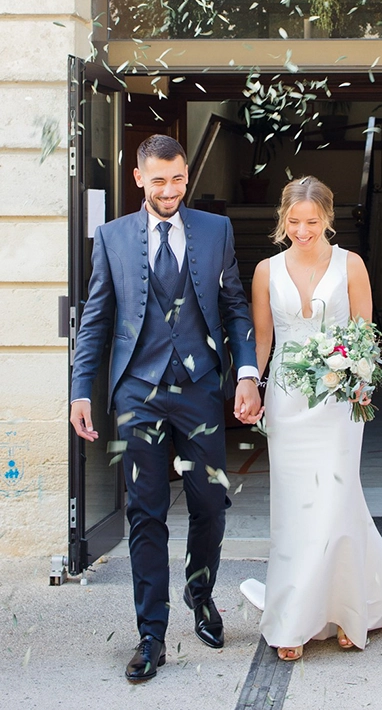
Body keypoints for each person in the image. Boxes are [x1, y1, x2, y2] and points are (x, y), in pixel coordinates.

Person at [70, 134, 262, 681]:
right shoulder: (110, 237)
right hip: (137, 393)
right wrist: (82, 390)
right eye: (159, 180)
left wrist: (246, 372)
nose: (171, 189)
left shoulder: (215, 230)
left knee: (210, 504)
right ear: (139, 179)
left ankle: (201, 595)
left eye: (178, 178)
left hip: (200, 389)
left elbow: (233, 306)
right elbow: (98, 319)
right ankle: (150, 635)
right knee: (145, 514)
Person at [241, 176, 382, 661]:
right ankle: (292, 618)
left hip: (339, 401)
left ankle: (348, 611)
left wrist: (361, 378)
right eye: (294, 222)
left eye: (311, 222)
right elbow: (263, 339)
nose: (302, 231)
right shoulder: (265, 271)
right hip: (290, 401)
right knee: (295, 507)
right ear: (282, 219)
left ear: (328, 219)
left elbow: (364, 331)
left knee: (336, 498)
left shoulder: (351, 264)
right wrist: (249, 381)